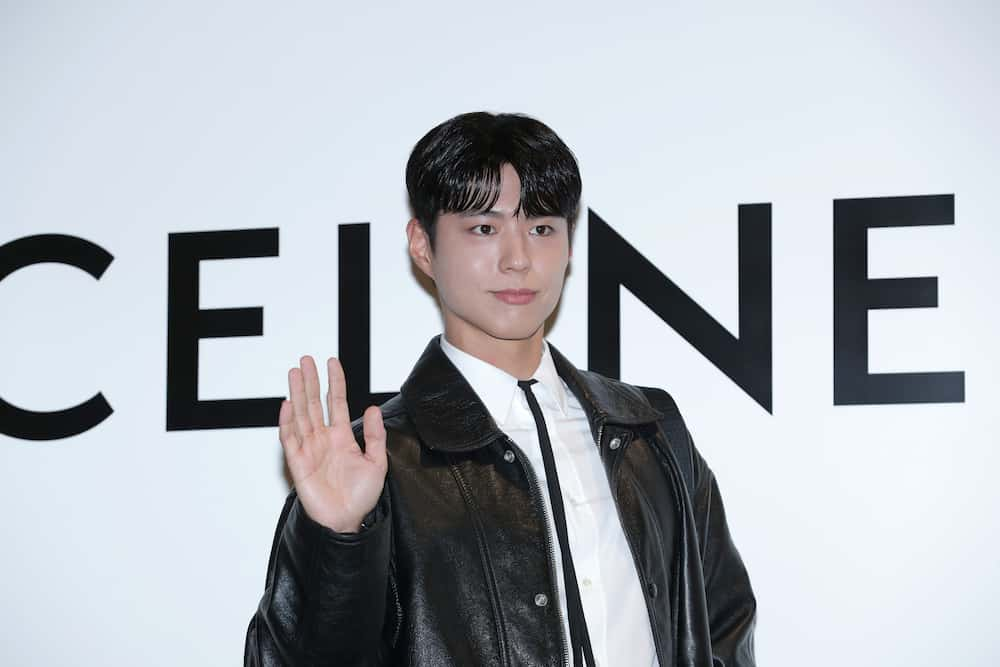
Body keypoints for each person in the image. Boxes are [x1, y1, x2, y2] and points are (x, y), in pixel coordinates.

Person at [244, 112, 756, 666]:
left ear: (568, 244)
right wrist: (338, 538)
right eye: (484, 229)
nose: (518, 259)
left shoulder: (648, 429)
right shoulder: (377, 459)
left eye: (541, 228)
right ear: (422, 245)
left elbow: (723, 623)